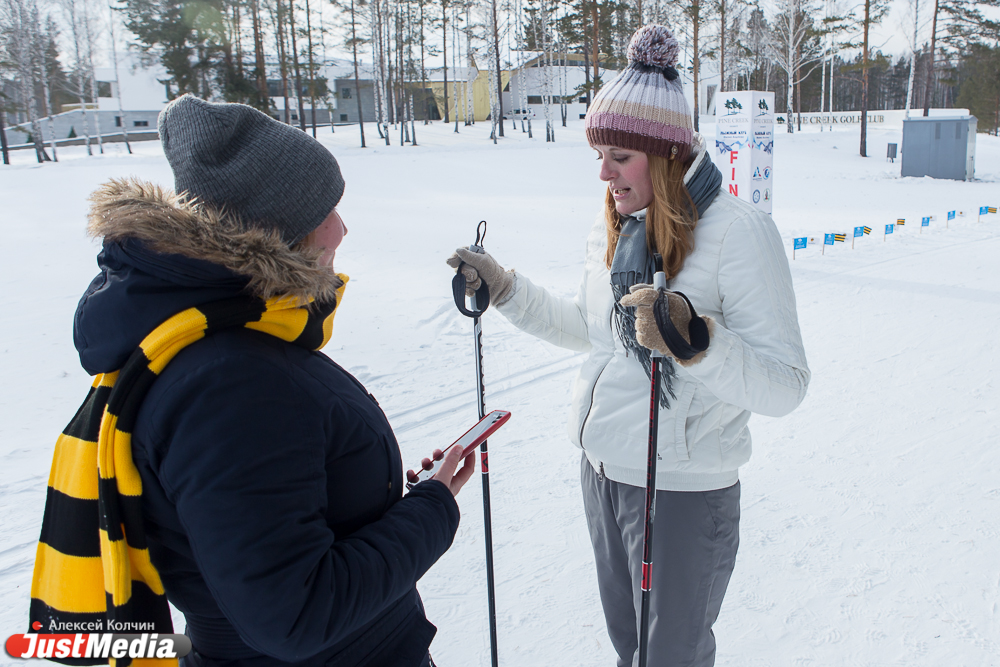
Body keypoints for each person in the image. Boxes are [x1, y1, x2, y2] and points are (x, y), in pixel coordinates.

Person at [31, 95, 472, 667]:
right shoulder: (231, 385)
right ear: (276, 234)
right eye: (325, 212)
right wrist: (433, 509)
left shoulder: (226, 340)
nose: (342, 228)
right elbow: (295, 616)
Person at [448, 24, 810, 667]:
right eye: (599, 153)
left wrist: (697, 342)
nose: (603, 172)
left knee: (671, 657)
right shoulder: (615, 225)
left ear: (664, 155)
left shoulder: (739, 234)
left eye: (619, 155)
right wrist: (505, 289)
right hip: (602, 474)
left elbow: (786, 384)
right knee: (631, 652)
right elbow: (593, 333)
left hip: (682, 491)